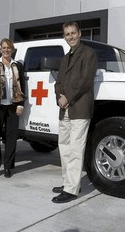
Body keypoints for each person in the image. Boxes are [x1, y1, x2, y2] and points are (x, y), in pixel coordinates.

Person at [52, 22, 98, 203]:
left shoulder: (88, 54)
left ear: (80, 33)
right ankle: (67, 182)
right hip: (64, 109)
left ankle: (71, 190)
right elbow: (58, 82)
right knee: (64, 148)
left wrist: (67, 98)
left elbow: (85, 81)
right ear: (64, 36)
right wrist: (59, 98)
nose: (70, 36)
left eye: (73, 33)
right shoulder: (65, 58)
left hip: (79, 107)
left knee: (76, 149)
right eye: (67, 34)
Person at [0, 38, 25, 178]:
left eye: (8, 47)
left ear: (12, 49)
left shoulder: (18, 66)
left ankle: (8, 166)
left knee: (11, 137)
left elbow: (23, 87)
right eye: (4, 47)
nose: (6, 50)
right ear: (0, 49)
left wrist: (20, 104)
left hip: (13, 106)